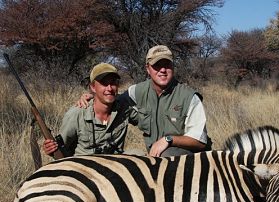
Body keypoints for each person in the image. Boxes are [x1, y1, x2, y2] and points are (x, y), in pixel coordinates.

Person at [78, 45, 211, 157]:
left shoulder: (189, 97)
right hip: (156, 157)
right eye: (157, 66)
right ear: (148, 68)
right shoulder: (137, 91)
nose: (163, 70)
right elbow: (111, 100)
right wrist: (93, 97)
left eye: (167, 65)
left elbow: (199, 141)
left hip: (188, 160)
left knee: (166, 154)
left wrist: (168, 140)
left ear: (173, 67)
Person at [43, 63, 138, 157]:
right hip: (85, 168)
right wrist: (51, 149)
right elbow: (61, 149)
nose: (109, 88)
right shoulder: (76, 113)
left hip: (114, 165)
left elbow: (146, 121)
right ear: (93, 87)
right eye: (104, 83)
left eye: (113, 83)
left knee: (139, 154)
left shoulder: (125, 108)